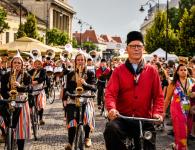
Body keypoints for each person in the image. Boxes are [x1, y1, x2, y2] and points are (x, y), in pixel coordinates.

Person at [104, 31, 164, 150]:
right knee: (111, 130)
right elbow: (110, 93)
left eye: (139, 46)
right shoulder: (118, 71)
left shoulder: (152, 71)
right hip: (122, 118)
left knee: (148, 144)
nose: (136, 49)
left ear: (143, 48)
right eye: (133, 46)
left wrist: (157, 112)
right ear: (127, 49)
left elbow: (158, 96)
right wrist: (112, 108)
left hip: (144, 119)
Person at [63, 53, 96, 150]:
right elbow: (67, 88)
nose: (80, 62)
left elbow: (94, 88)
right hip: (73, 99)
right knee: (72, 121)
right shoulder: (70, 74)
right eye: (78, 60)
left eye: (82, 60)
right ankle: (70, 142)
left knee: (87, 116)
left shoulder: (90, 73)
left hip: (86, 98)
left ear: (85, 62)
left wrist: (85, 84)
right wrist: (65, 98)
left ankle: (87, 137)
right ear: (75, 62)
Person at [1, 52, 31, 150]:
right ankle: (6, 134)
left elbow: (29, 88)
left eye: (19, 63)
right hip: (9, 100)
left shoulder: (26, 75)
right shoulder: (6, 75)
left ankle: (20, 148)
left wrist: (20, 86)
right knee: (5, 120)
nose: (17, 64)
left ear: (22, 64)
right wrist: (7, 94)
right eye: (15, 63)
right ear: (12, 64)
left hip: (21, 101)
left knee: (20, 128)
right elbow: (2, 90)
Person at [164, 64, 194, 150]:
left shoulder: (192, 81)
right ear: (177, 72)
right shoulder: (173, 84)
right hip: (177, 111)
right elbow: (167, 99)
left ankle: (176, 146)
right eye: (181, 70)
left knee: (186, 132)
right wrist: (162, 112)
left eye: (185, 70)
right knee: (181, 132)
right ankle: (182, 148)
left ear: (187, 71)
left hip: (189, 111)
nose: (183, 71)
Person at [28, 58, 47, 125]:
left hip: (39, 89)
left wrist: (34, 82)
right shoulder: (32, 70)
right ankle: (31, 117)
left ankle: (41, 118)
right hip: (32, 90)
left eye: (39, 64)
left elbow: (42, 78)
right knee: (30, 104)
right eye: (35, 64)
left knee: (40, 103)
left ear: (41, 64)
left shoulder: (43, 70)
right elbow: (26, 75)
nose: (37, 65)